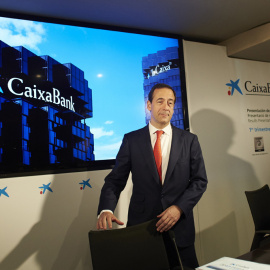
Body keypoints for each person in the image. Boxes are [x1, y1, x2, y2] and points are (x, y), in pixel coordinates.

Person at [96, 83, 208, 269]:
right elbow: (115, 180)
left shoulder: (189, 141)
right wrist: (106, 209)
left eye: (170, 103)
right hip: (142, 228)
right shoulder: (131, 140)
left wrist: (179, 208)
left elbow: (199, 181)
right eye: (160, 101)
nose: (166, 107)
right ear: (149, 105)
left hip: (179, 227)